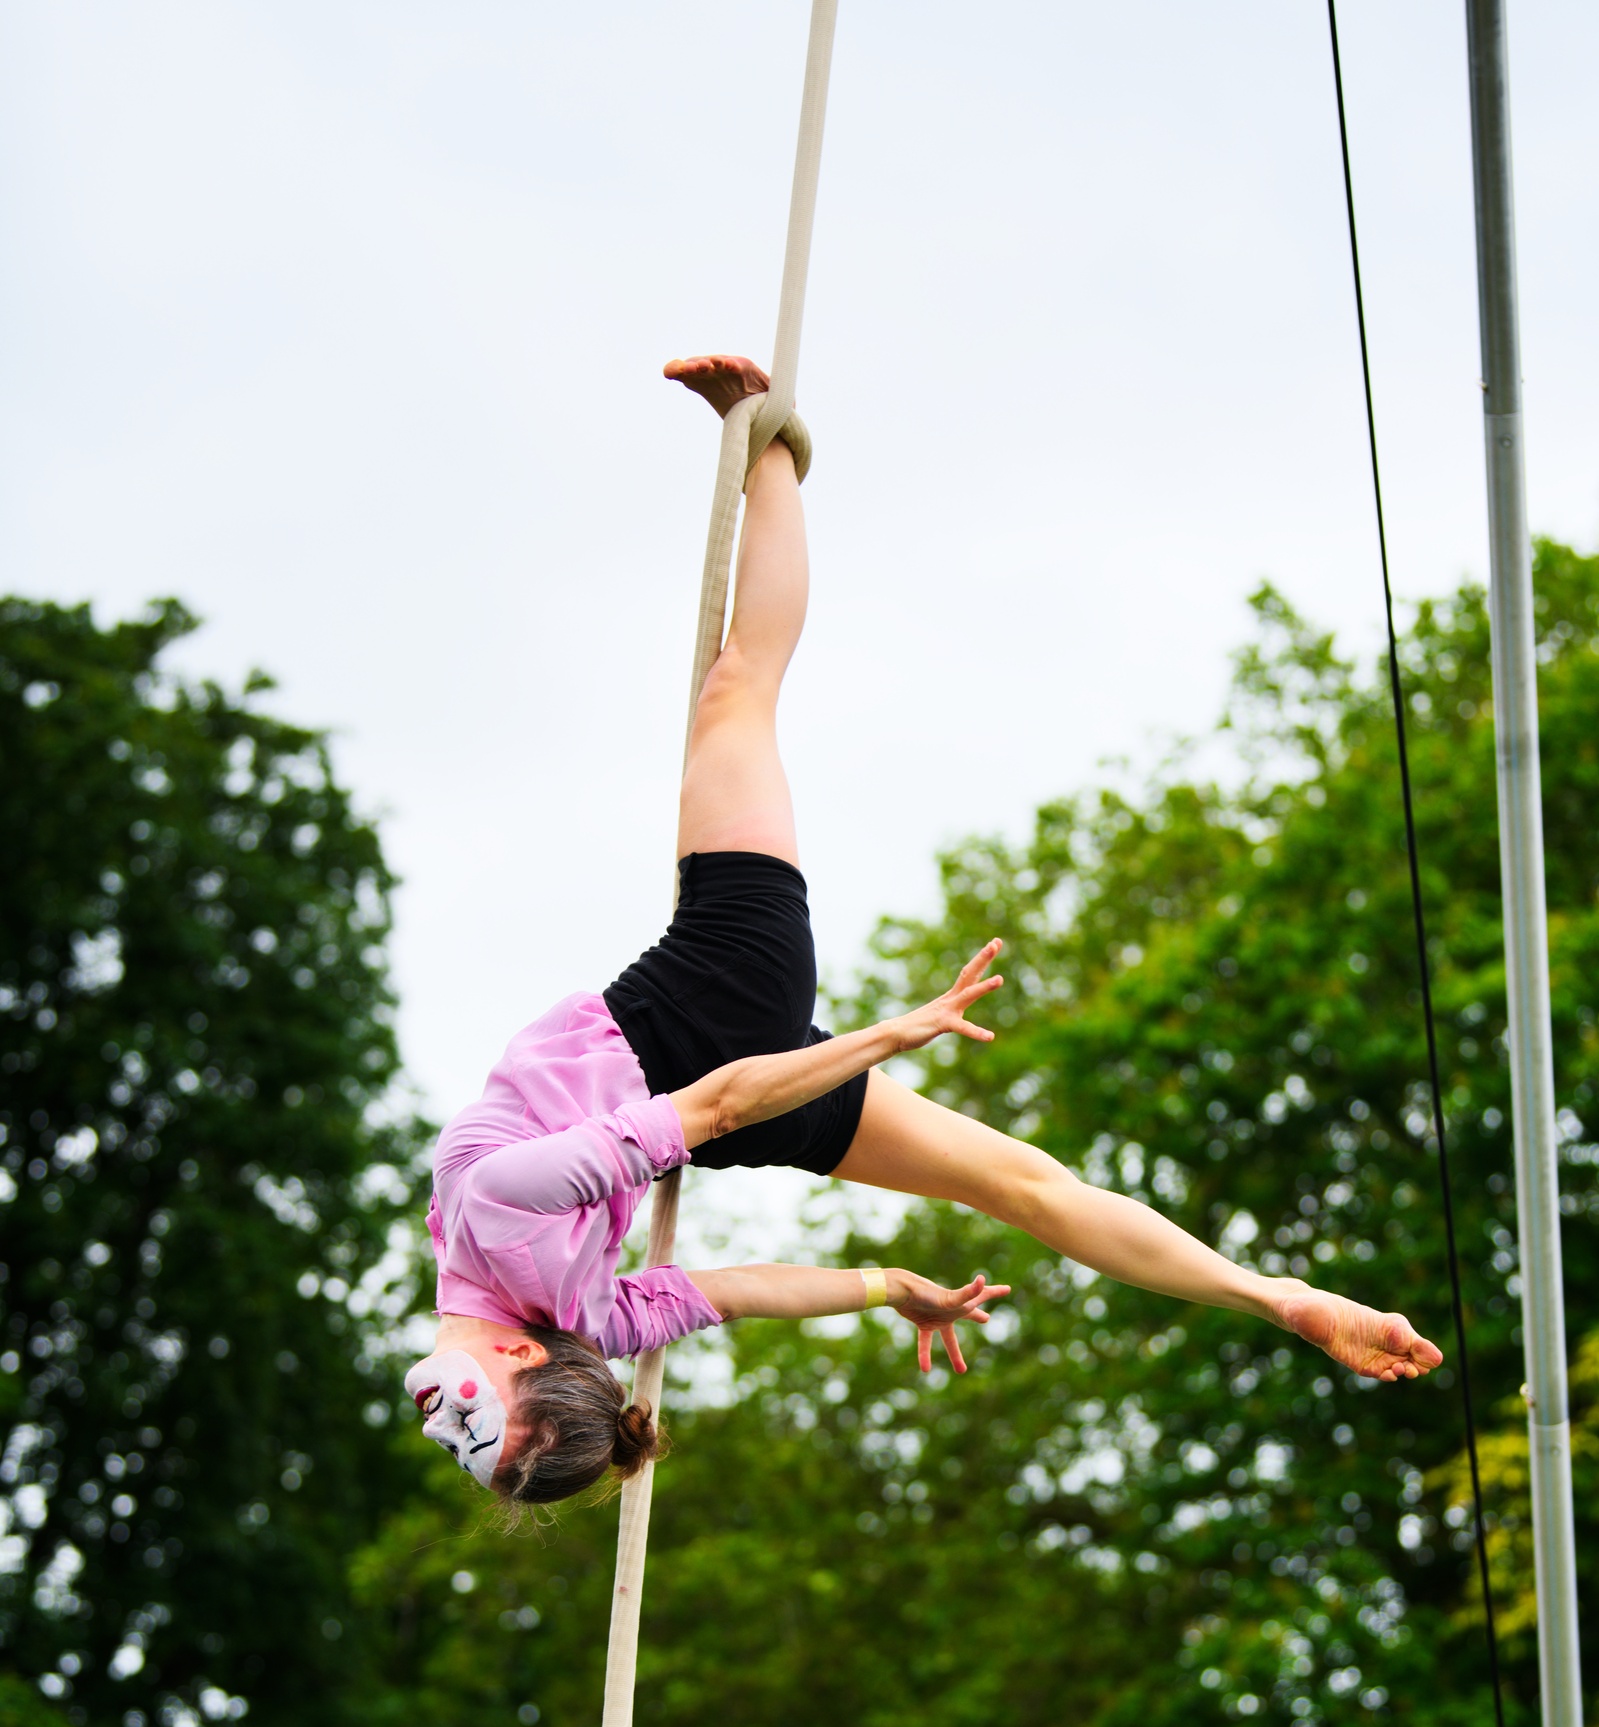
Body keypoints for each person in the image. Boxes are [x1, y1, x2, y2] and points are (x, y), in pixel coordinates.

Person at [405, 355, 1443, 1508]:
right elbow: (721, 1117)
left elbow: (739, 1275)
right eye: (472, 1428)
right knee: (738, 691)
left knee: (1021, 1186)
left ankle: (1274, 1295)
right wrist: (889, 1041)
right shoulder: (491, 1212)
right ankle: (771, 441)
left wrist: (886, 1281)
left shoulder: (579, 1311)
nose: (441, 1421)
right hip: (716, 1004)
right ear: (520, 1352)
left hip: (727, 1080)